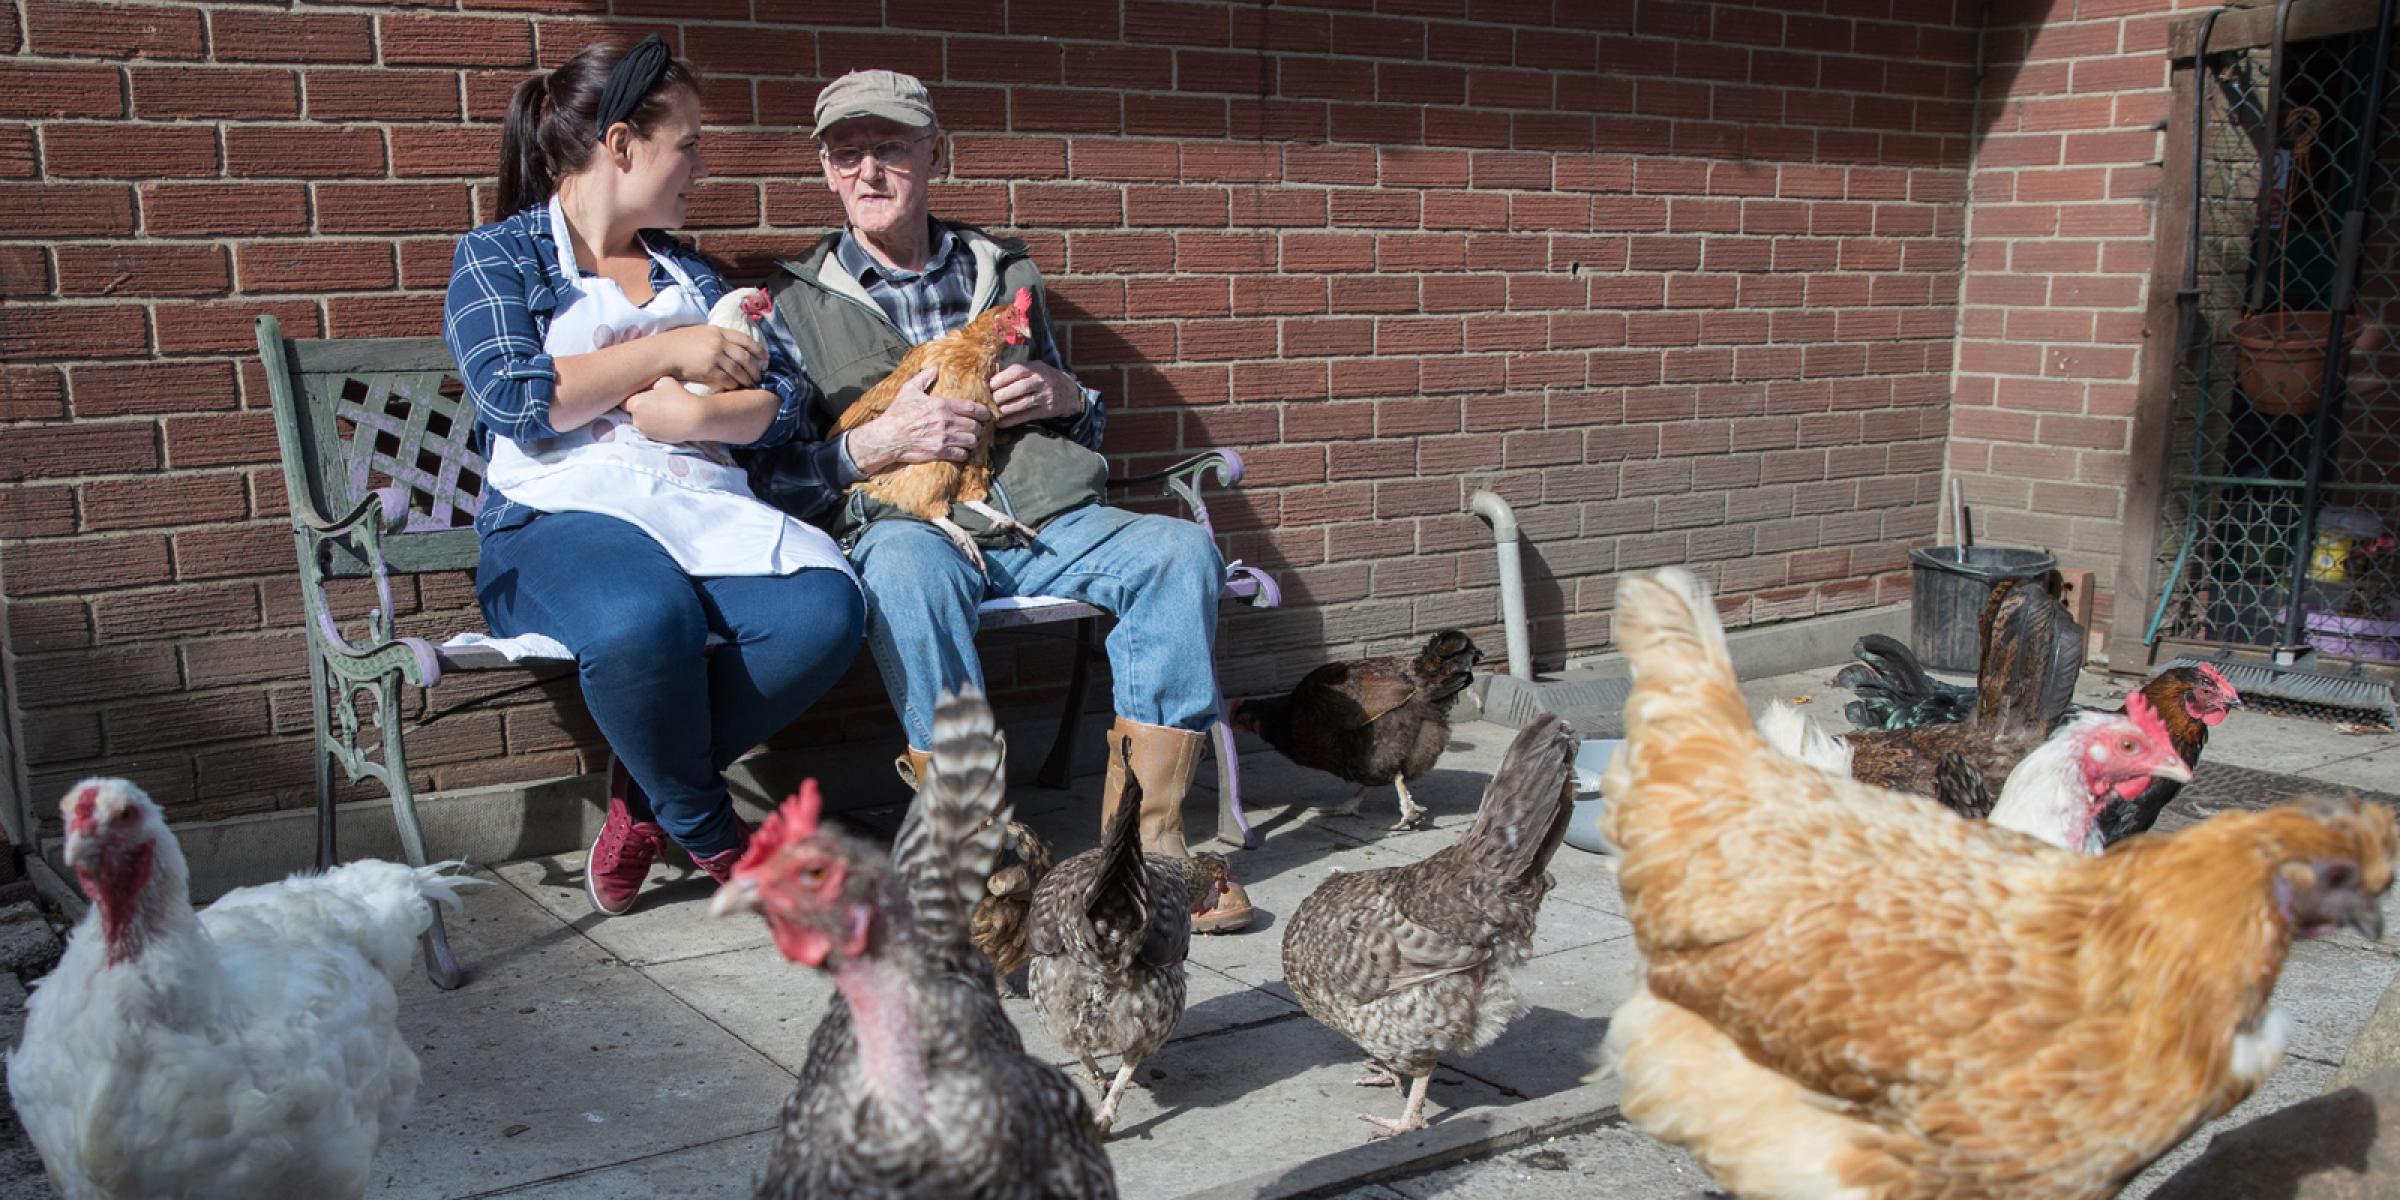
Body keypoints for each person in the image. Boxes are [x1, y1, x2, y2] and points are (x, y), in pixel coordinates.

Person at [744, 69, 1253, 932]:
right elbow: (770, 476)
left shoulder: (1000, 268)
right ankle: (978, 857)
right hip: (914, 524)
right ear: (826, 170)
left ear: (934, 154)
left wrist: (1063, 393)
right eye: (848, 153)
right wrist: (871, 445)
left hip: (1043, 517)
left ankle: (1150, 858)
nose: (869, 171)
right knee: (902, 575)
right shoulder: (789, 305)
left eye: (892, 148)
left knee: (1177, 552)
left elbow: (1082, 426)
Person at [443, 37, 864, 918]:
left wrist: (703, 417)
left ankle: (644, 789)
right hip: (554, 523)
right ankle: (716, 835)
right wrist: (671, 351)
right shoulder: (499, 257)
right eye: (689, 144)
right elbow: (521, 400)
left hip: (699, 505)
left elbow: (785, 401)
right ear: (623, 144)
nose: (700, 166)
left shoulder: (687, 268)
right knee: (644, 618)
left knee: (826, 612)